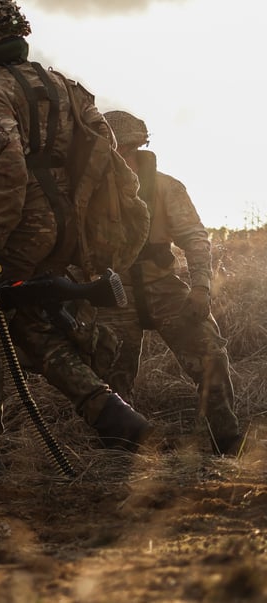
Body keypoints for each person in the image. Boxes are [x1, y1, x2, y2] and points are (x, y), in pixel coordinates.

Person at [0, 0, 150, 478]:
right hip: (66, 227)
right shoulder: (63, 85)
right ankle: (111, 414)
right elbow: (103, 156)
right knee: (30, 324)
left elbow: (11, 170)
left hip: (19, 227)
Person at [97, 110, 241, 455]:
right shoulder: (91, 193)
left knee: (209, 355)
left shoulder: (166, 186)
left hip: (164, 285)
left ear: (137, 148)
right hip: (115, 291)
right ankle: (120, 452)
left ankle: (228, 442)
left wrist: (201, 288)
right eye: (114, 152)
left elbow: (194, 238)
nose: (123, 158)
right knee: (108, 374)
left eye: (127, 150)